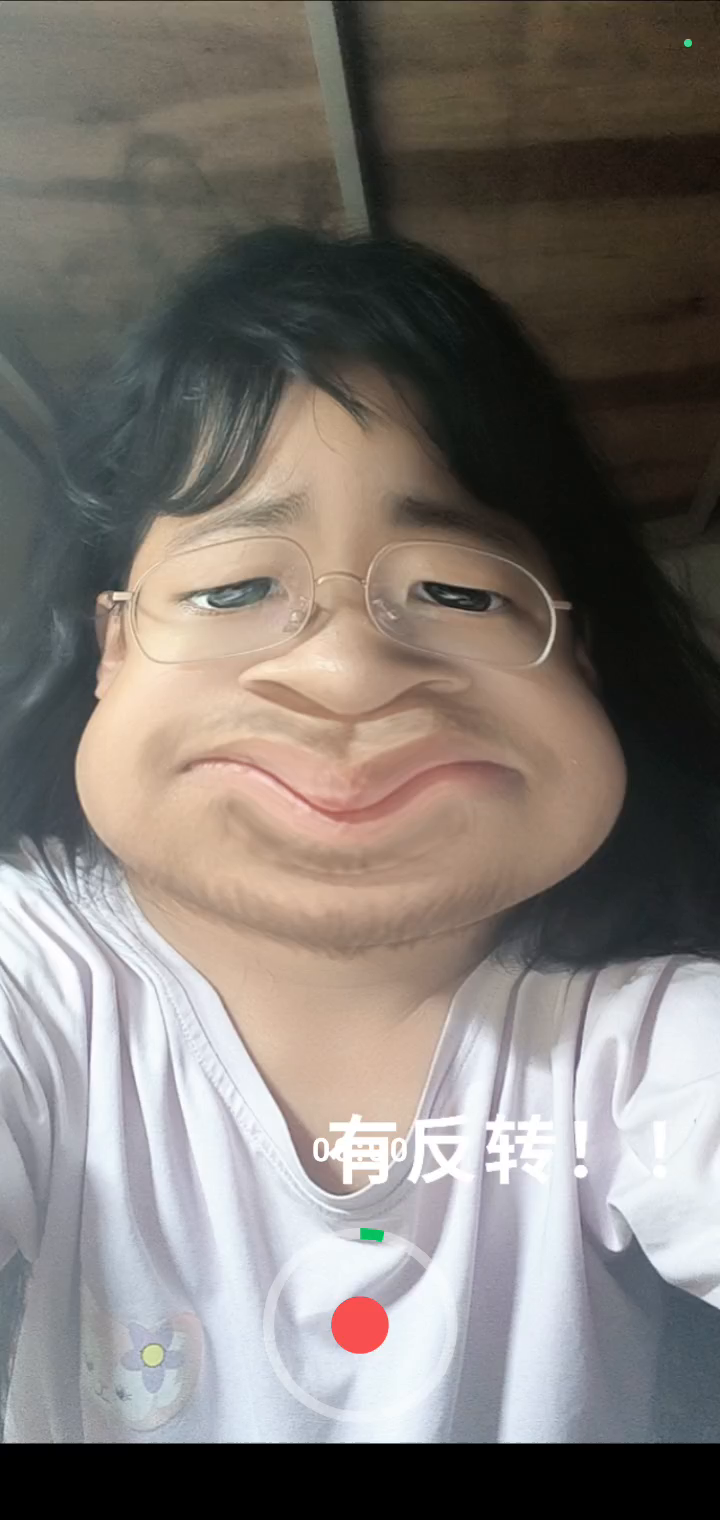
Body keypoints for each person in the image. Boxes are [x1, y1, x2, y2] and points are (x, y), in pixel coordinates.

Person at [0, 223, 719, 1444]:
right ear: (113, 645)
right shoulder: (37, 967)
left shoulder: (636, 1036)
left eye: (459, 590)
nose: (344, 670)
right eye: (235, 587)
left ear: (580, 660)